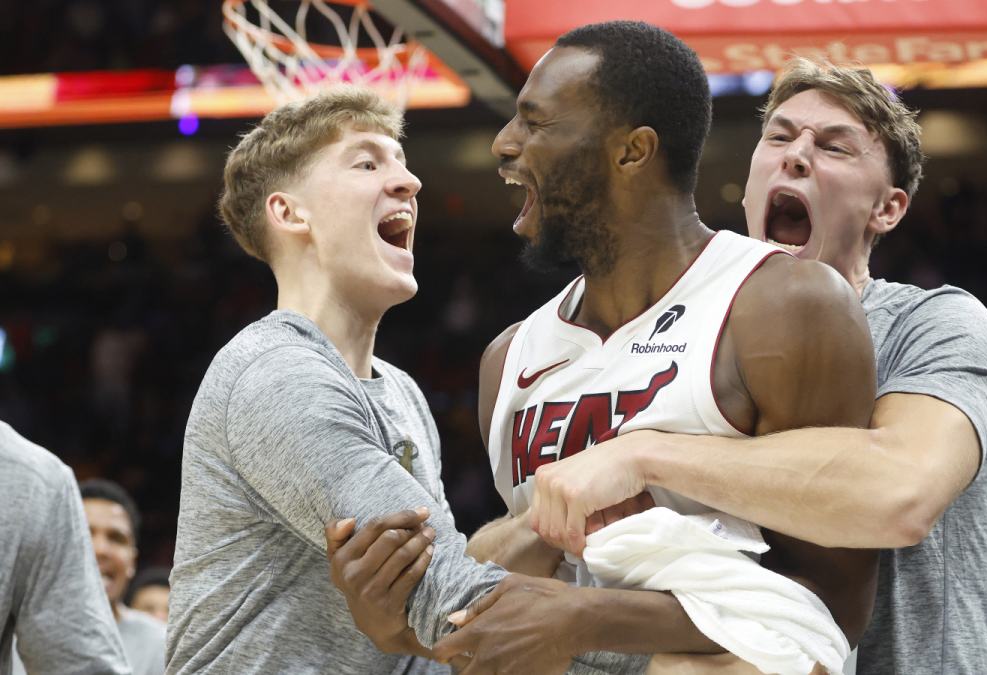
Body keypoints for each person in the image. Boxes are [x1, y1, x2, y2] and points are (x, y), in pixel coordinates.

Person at [326, 22, 880, 674]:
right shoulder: (508, 358)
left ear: (632, 152)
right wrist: (397, 618)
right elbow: (521, 609)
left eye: (535, 122)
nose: (505, 143)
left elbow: (834, 610)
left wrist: (589, 619)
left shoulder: (782, 306)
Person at [170, 86, 706, 675]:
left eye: (402, 163)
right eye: (367, 163)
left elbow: (429, 637)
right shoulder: (276, 373)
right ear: (290, 213)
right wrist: (689, 661)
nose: (410, 182)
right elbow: (452, 603)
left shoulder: (400, 392)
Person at [526, 58, 987, 674]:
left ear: (887, 209)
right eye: (778, 137)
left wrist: (641, 454)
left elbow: (900, 493)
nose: (797, 155)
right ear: (750, 183)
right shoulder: (687, 333)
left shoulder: (936, 324)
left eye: (834, 147)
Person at [0, 421, 129, 675]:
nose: (100, 549)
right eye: (89, 533)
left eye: (115, 538)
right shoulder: (37, 479)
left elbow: (80, 668)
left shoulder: (34, 481)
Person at [76, 479, 166, 675]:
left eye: (116, 538)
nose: (100, 549)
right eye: (84, 532)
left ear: (132, 561)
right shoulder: (15, 635)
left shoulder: (163, 647)